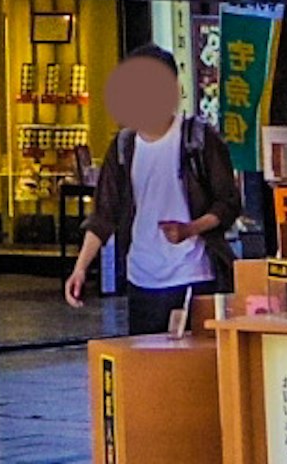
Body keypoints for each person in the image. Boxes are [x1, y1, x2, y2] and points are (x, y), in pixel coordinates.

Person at [64, 43, 241, 336]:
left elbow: (229, 203)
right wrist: (81, 268)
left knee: (192, 368)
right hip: (142, 279)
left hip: (193, 274)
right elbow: (104, 213)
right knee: (150, 369)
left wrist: (191, 229)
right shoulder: (124, 146)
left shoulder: (198, 138)